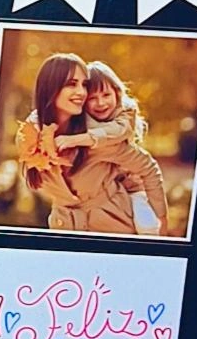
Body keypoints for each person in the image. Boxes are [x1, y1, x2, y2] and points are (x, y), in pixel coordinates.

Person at [14, 53, 167, 236]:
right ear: (50, 87)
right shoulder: (29, 136)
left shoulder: (97, 137)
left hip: (115, 225)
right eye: (72, 84)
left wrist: (161, 218)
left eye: (84, 84)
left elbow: (148, 168)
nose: (81, 92)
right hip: (64, 227)